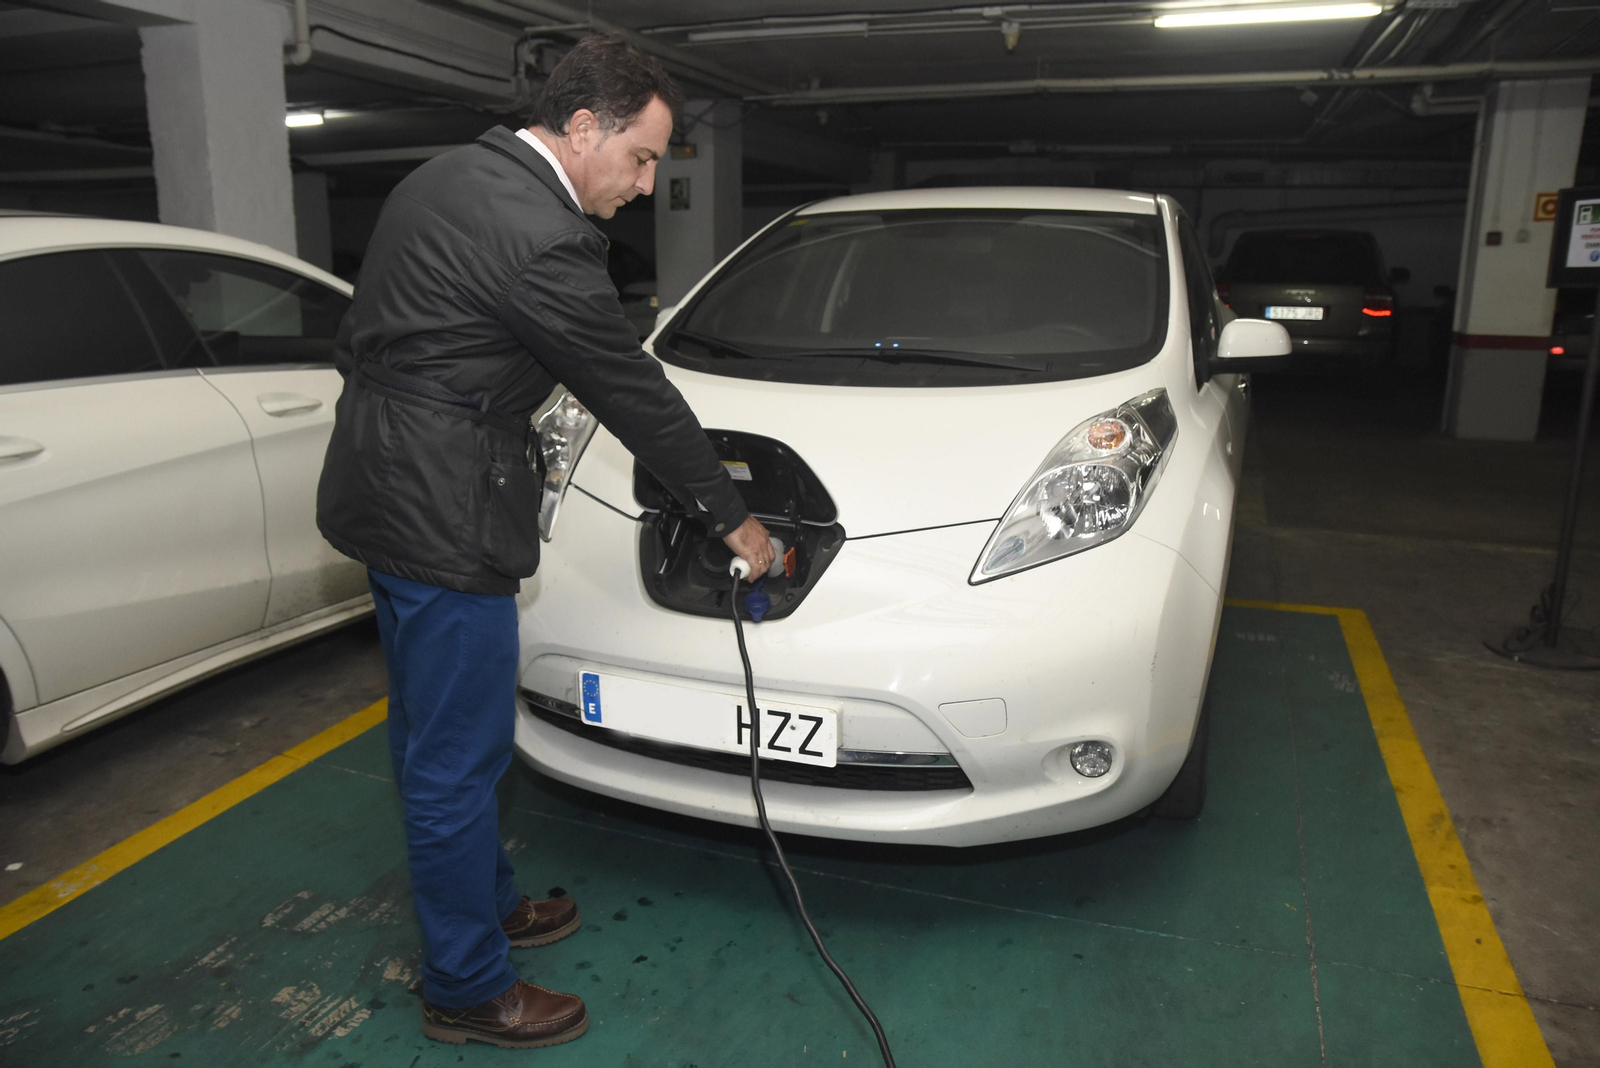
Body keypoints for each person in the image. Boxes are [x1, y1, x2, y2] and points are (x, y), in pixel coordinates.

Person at [315, 35, 774, 1051]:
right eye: (642, 158)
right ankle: (468, 987)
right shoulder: (540, 234)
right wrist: (728, 514)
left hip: (379, 485)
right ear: (581, 129)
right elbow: (631, 391)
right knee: (456, 761)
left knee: (429, 739)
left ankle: (489, 908)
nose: (647, 185)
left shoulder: (445, 176)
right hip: (443, 512)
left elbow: (362, 336)